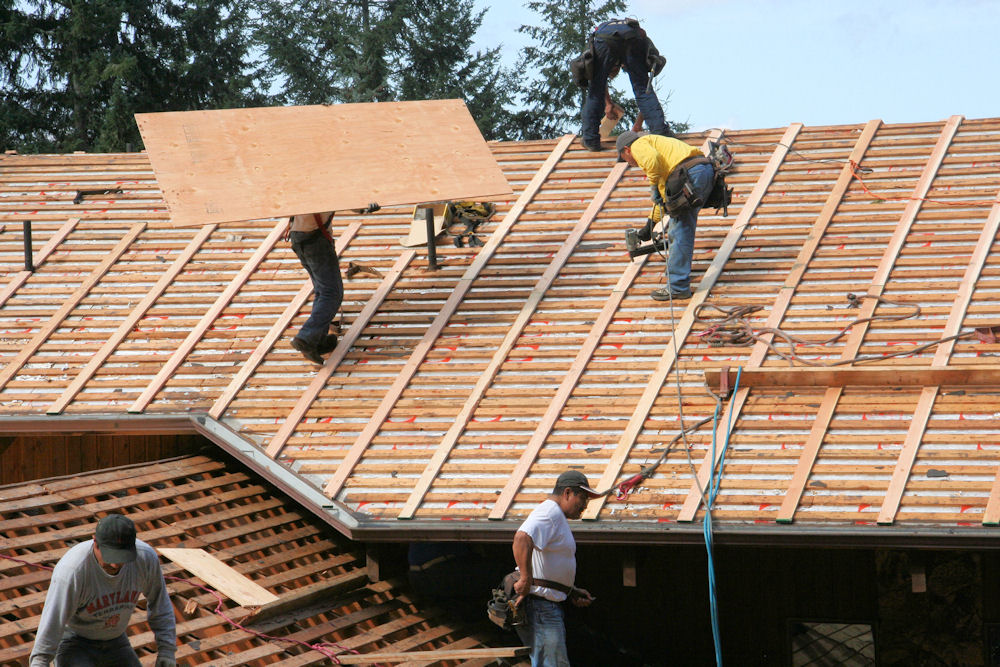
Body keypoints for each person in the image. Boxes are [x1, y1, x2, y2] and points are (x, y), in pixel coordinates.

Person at [29, 513, 176, 667]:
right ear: (95, 543)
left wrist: (167, 650)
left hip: (115, 639)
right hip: (75, 642)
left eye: (122, 557)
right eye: (110, 556)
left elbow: (160, 605)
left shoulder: (145, 559)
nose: (115, 565)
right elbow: (53, 621)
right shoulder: (73, 571)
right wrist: (40, 662)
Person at [512, 470, 599, 666]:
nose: (584, 505)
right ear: (567, 493)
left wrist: (570, 590)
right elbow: (521, 538)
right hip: (541, 606)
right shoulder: (550, 512)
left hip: (546, 606)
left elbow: (547, 563)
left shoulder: (555, 515)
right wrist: (525, 578)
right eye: (582, 497)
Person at [617, 130, 716, 301]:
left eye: (625, 158)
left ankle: (677, 287)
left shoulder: (638, 145)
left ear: (627, 150)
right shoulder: (664, 157)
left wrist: (653, 185)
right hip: (702, 170)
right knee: (682, 224)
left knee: (679, 231)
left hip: (690, 174)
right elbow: (664, 198)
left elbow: (652, 162)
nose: (629, 163)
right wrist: (650, 224)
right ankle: (678, 280)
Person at [289, 204, 377, 365]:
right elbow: (349, 201)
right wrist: (366, 205)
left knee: (322, 291)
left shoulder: (305, 185)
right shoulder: (324, 185)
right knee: (332, 293)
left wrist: (363, 206)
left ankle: (318, 340)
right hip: (315, 239)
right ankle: (306, 337)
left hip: (299, 237)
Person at [581, 18, 671, 152]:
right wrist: (608, 103)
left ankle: (590, 140)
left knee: (595, 90)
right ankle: (660, 132)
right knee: (642, 89)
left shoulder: (603, 43)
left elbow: (599, 84)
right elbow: (645, 93)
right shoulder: (631, 35)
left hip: (605, 40)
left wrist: (637, 123)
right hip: (633, 39)